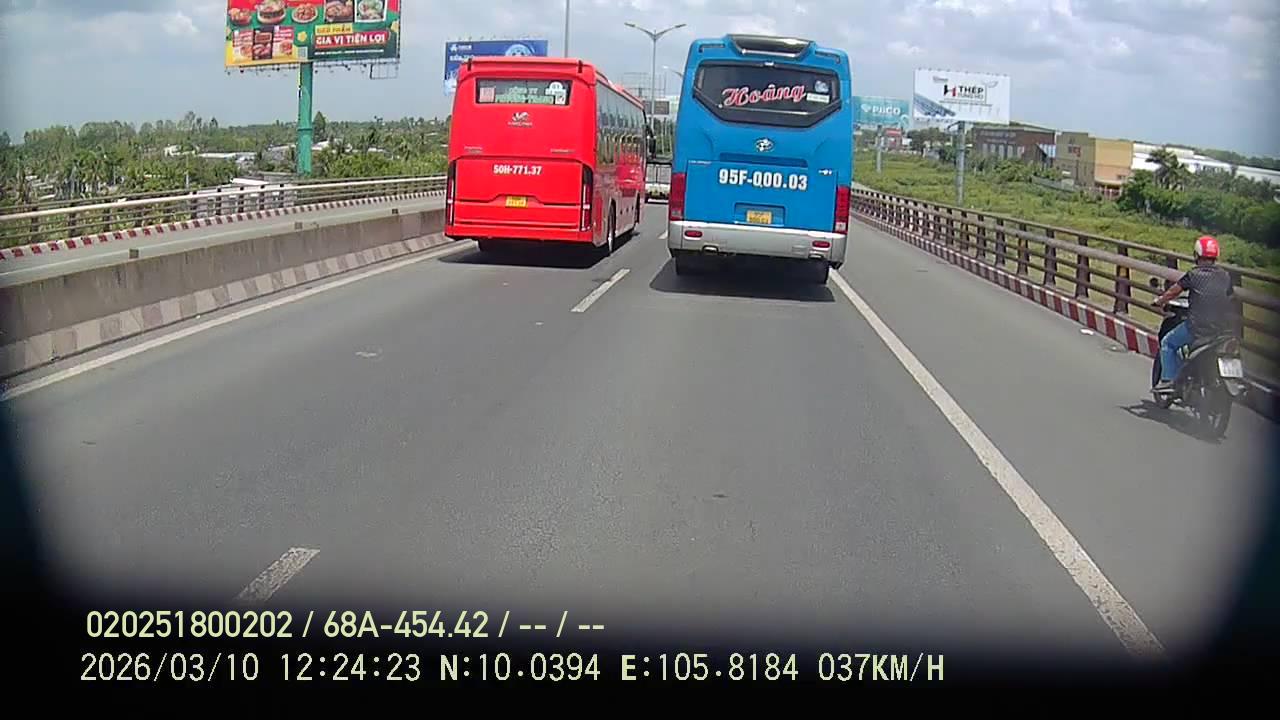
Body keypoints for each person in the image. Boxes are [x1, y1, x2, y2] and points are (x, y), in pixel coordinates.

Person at [1152, 235, 1235, 392]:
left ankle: (1168, 380)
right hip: (1220, 329)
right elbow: (1230, 298)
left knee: (1168, 343)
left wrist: (1159, 301)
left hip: (1197, 327)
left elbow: (1173, 291)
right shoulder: (1225, 276)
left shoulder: (1193, 274)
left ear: (1196, 255)